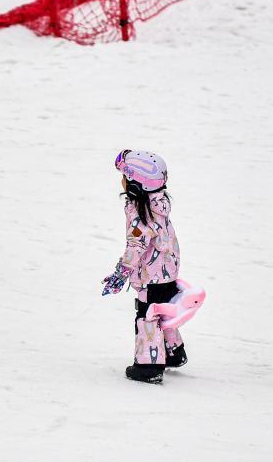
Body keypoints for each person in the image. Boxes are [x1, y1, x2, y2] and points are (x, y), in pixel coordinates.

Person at [102, 150, 187, 384]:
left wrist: (121, 273)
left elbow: (136, 246)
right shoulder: (159, 203)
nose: (121, 180)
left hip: (151, 276)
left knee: (148, 316)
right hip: (168, 269)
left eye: (124, 177)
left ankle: (149, 366)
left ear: (135, 185)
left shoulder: (140, 212)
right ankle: (173, 352)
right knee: (164, 310)